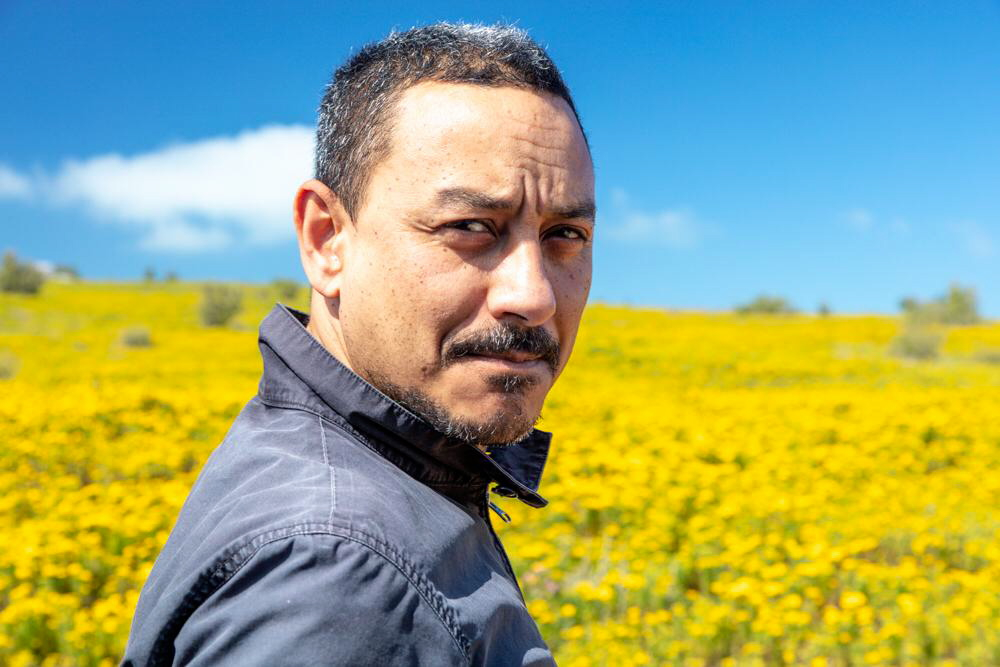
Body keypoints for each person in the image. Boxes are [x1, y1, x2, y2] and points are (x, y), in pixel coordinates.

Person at [123, 22, 594, 666]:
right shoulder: (337, 573)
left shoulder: (353, 481)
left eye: (565, 234)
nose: (533, 295)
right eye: (470, 226)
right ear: (326, 241)